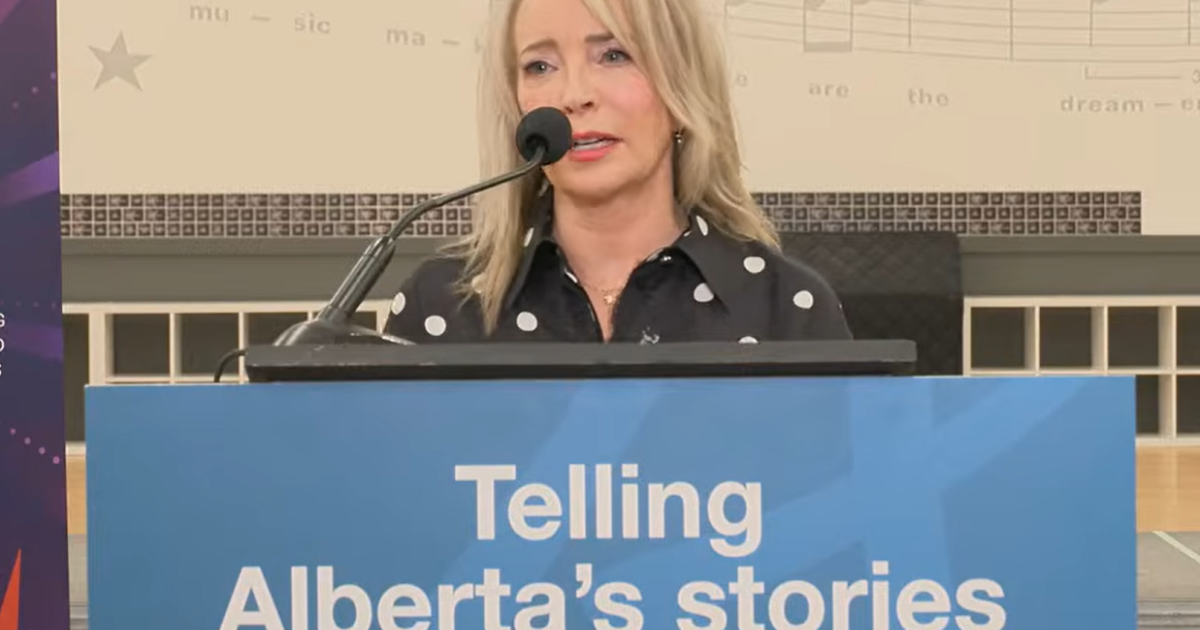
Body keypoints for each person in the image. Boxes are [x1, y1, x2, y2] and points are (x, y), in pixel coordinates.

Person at [384, 0, 852, 344]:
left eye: (613, 55)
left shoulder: (784, 307)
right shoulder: (439, 307)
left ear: (680, 89)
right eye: (539, 65)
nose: (574, 95)